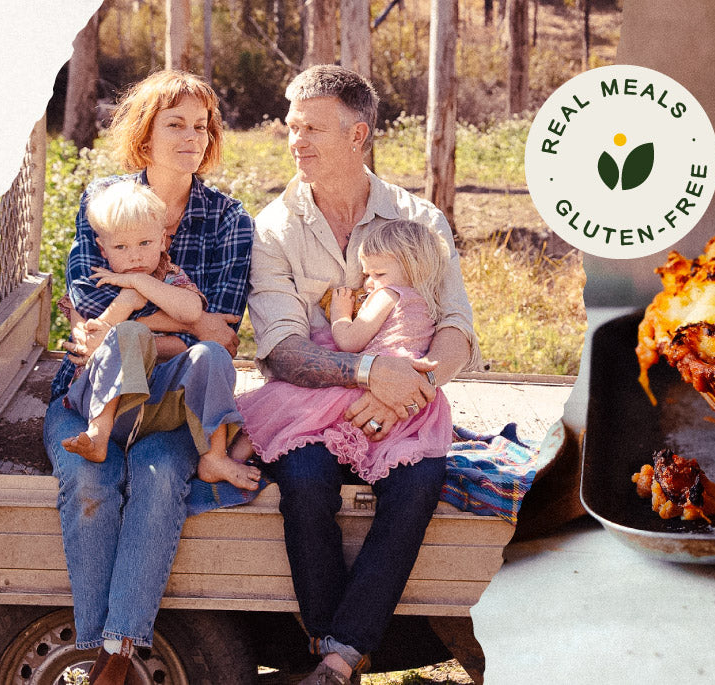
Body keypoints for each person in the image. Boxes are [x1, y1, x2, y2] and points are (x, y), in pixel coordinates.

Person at [247, 65, 479, 685]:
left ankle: (339, 658)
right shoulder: (272, 229)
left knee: (420, 483)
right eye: (292, 127)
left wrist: (412, 392)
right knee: (305, 480)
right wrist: (371, 370)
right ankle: (333, 642)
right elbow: (282, 349)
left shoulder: (417, 219)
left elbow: (457, 326)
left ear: (358, 136)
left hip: (407, 402)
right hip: (312, 403)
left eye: (312, 129)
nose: (296, 140)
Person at [41, 69, 257, 685]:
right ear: (145, 131)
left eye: (201, 126)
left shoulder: (227, 220)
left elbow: (222, 333)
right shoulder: (105, 202)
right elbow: (89, 314)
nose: (192, 137)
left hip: (171, 402)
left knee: (162, 477)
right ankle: (95, 645)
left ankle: (117, 651)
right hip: (94, 400)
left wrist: (140, 320)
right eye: (175, 124)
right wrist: (172, 330)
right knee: (88, 477)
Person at [231, 218, 455, 485]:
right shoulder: (429, 304)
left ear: (411, 267)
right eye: (366, 275)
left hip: (375, 381)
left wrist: (340, 314)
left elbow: (350, 341)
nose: (369, 284)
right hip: (408, 396)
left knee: (283, 399)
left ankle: (233, 459)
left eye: (378, 274)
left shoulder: (388, 295)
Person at [56, 181, 250, 487]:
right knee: (130, 333)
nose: (134, 257)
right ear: (103, 248)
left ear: (162, 241)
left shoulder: (169, 276)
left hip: (158, 405)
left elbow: (190, 311)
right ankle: (98, 434)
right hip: (102, 400)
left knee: (210, 352)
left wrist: (139, 284)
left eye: (144, 243)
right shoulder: (97, 280)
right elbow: (95, 332)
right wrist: (125, 302)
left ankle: (214, 455)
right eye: (121, 247)